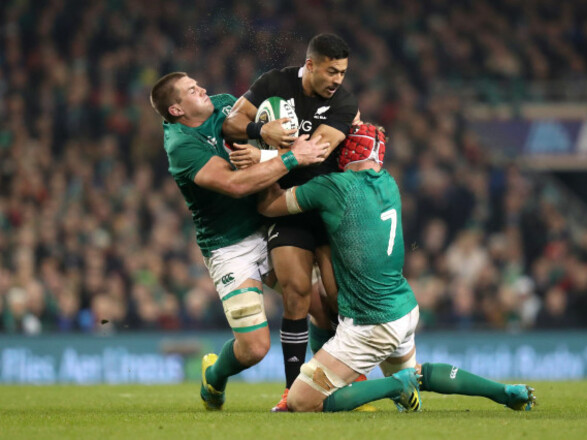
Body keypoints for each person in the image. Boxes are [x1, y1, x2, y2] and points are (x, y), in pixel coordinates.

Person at [256, 123, 537, 412]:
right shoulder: (389, 183)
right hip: (402, 307)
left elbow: (269, 206)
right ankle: (503, 391)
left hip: (370, 321)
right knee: (416, 371)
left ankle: (396, 386)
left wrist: (274, 161)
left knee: (303, 401)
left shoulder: (333, 188)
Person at [149, 72, 329, 411]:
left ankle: (316, 389)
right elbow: (235, 185)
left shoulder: (222, 105)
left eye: (196, 82)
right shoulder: (181, 147)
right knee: (254, 349)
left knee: (319, 305)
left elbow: (256, 123)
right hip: (229, 246)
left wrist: (264, 136)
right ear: (176, 110)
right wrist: (291, 157)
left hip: (268, 221)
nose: (201, 87)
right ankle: (214, 376)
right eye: (191, 89)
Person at [222, 33, 359, 411]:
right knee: (297, 292)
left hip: (330, 211)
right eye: (332, 71)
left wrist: (263, 153)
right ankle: (293, 390)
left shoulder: (345, 103)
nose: (338, 80)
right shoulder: (273, 83)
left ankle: (342, 384)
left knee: (338, 302)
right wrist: (260, 131)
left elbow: (316, 151)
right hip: (285, 205)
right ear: (311, 65)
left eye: (343, 72)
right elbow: (231, 124)